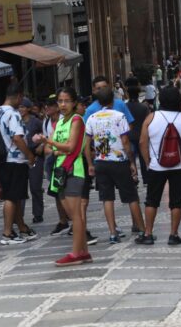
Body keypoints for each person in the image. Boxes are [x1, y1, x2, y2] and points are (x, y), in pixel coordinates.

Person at [136, 87, 181, 246]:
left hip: (157, 167)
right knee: (177, 201)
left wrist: (148, 161)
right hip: (180, 166)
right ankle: (173, 234)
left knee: (151, 200)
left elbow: (143, 142)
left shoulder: (151, 117)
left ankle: (148, 233)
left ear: (160, 100)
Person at [38, 87, 92, 266]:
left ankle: (76, 253)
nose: (62, 105)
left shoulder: (76, 120)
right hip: (60, 171)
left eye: (66, 101)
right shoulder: (59, 123)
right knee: (72, 213)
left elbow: (69, 147)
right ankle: (83, 251)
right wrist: (51, 145)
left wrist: (50, 142)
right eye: (60, 101)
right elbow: (49, 150)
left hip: (73, 170)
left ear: (74, 102)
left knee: (75, 214)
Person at [84, 88, 145, 244]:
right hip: (119, 161)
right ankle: (143, 231)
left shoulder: (92, 118)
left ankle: (112, 233)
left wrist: (90, 163)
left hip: (101, 162)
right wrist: (131, 161)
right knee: (131, 197)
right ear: (113, 100)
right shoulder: (119, 116)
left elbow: (86, 144)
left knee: (107, 199)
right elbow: (125, 141)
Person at [0, 85, 38, 244]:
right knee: (11, 197)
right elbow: (17, 138)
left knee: (16, 195)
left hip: (2, 158)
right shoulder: (13, 114)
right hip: (14, 158)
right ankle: (7, 233)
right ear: (19, 96)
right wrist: (30, 155)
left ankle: (21, 227)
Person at [20, 98, 45, 224]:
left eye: (23, 107)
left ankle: (38, 214)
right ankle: (20, 215)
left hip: (35, 157)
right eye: (19, 107)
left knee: (35, 187)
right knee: (21, 189)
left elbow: (45, 134)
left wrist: (41, 145)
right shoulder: (16, 122)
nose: (21, 110)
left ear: (28, 108)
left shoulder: (36, 122)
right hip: (21, 158)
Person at [125, 79, 151, 190]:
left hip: (129, 136)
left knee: (131, 158)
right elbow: (149, 121)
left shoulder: (124, 107)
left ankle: (134, 178)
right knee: (144, 158)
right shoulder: (144, 107)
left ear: (127, 94)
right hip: (142, 136)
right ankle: (146, 179)